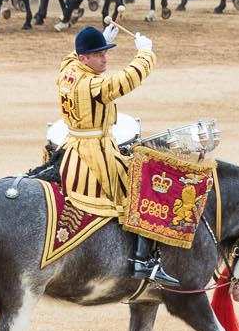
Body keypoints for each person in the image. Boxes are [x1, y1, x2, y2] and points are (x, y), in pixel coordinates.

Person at [56, 25, 169, 282]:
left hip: (72, 146)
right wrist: (145, 53)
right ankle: (143, 260)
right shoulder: (93, 84)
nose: (104, 58)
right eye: (98, 54)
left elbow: (70, 56)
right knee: (140, 189)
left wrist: (101, 41)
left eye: (105, 52)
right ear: (84, 58)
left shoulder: (68, 70)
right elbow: (126, 80)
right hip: (95, 153)